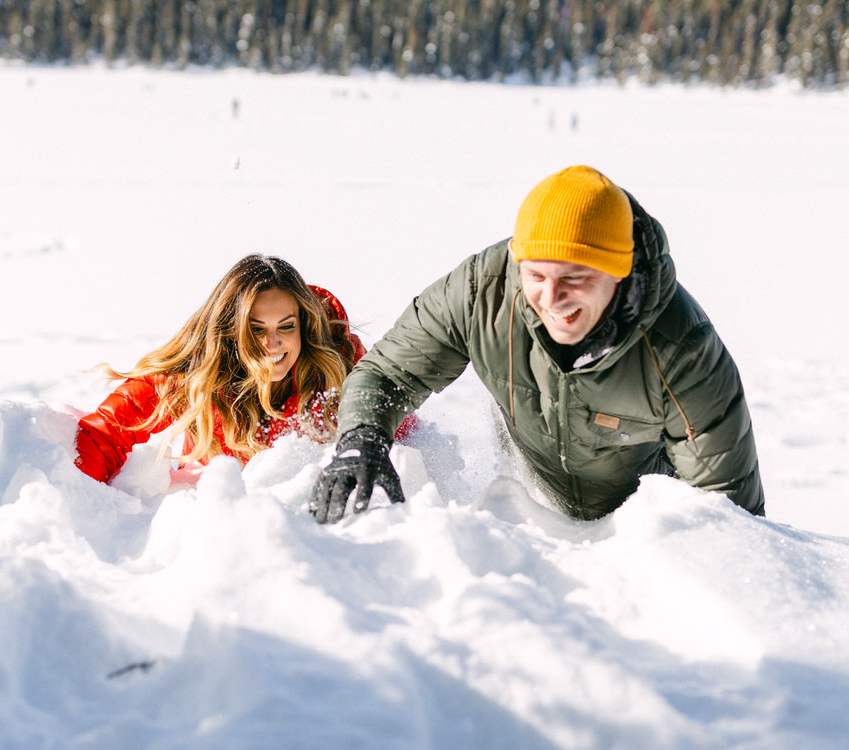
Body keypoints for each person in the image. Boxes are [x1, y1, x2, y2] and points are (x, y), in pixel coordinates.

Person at [311, 165, 764, 523]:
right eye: (536, 275)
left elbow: (728, 511)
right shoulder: (480, 292)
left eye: (575, 278)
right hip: (531, 514)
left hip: (643, 531)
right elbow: (390, 372)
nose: (551, 297)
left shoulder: (681, 348)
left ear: (620, 270)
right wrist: (363, 437)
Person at [76, 253, 405, 485]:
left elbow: (402, 433)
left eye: (286, 327)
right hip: (218, 528)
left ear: (304, 326)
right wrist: (74, 503)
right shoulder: (196, 375)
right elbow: (105, 433)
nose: (273, 344)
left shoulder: (338, 362)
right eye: (257, 329)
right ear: (231, 330)